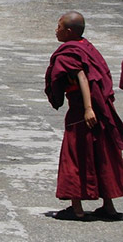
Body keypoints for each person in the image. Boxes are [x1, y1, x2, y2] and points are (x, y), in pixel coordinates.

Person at [45, 11, 123, 221]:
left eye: (59, 26)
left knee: (74, 155)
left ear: (69, 31)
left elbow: (82, 77)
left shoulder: (70, 52)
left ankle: (77, 209)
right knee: (101, 154)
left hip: (82, 112)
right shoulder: (87, 47)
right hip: (101, 109)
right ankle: (109, 207)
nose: (56, 30)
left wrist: (88, 108)